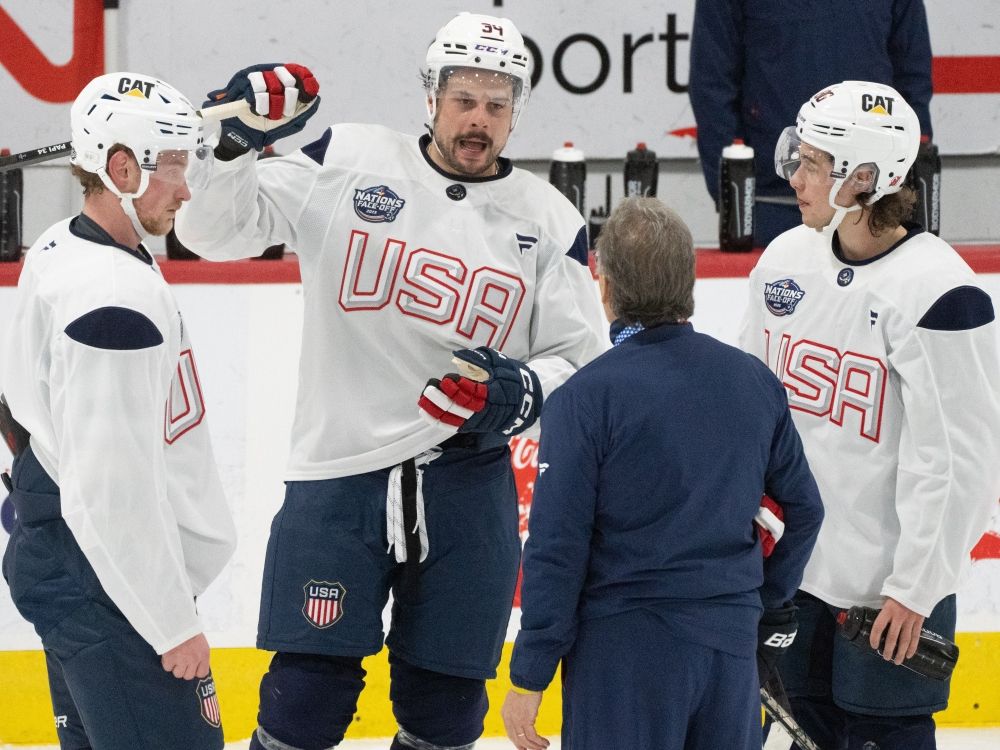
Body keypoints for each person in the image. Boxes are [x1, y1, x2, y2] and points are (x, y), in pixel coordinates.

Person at [174, 12, 608, 750]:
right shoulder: (349, 158)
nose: (478, 120)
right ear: (430, 97)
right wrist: (232, 147)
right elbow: (213, 235)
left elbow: (581, 365)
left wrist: (518, 394)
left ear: (516, 113)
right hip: (338, 474)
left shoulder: (549, 217)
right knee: (304, 696)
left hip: (467, 483)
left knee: (445, 709)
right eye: (464, 99)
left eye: (497, 105)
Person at [499, 196, 824, 750]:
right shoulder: (753, 381)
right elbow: (804, 509)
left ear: (606, 289)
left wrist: (531, 671)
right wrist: (761, 603)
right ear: (688, 282)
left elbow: (557, 545)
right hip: (728, 648)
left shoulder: (584, 398)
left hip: (622, 653)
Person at [739, 80, 1000, 749]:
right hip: (795, 575)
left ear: (864, 178)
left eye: (813, 163)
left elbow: (960, 460)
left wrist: (917, 587)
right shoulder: (785, 258)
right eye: (796, 155)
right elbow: (747, 411)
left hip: (887, 596)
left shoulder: (940, 293)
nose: (794, 174)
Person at [0, 72, 236, 748]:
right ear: (120, 167)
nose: (186, 188)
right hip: (111, 590)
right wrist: (169, 623)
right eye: (171, 168)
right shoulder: (112, 303)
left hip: (83, 571)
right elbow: (111, 495)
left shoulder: (67, 244)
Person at [689, 0, 934, 247]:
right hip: (770, 202)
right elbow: (711, 84)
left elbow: (913, 79)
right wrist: (735, 196)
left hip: (869, 199)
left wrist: (909, 184)